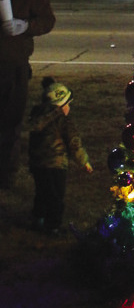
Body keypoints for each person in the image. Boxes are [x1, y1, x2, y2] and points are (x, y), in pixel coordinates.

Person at [0, 0, 56, 188]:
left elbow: (48, 19)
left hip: (15, 69)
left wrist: (26, 26)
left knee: (12, 124)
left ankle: (7, 174)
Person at [28, 76, 92, 233]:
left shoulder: (37, 115)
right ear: (62, 105)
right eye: (68, 104)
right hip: (56, 165)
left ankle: (39, 218)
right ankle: (53, 226)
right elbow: (74, 143)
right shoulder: (64, 121)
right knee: (56, 196)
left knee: (41, 192)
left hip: (37, 164)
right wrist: (84, 162)